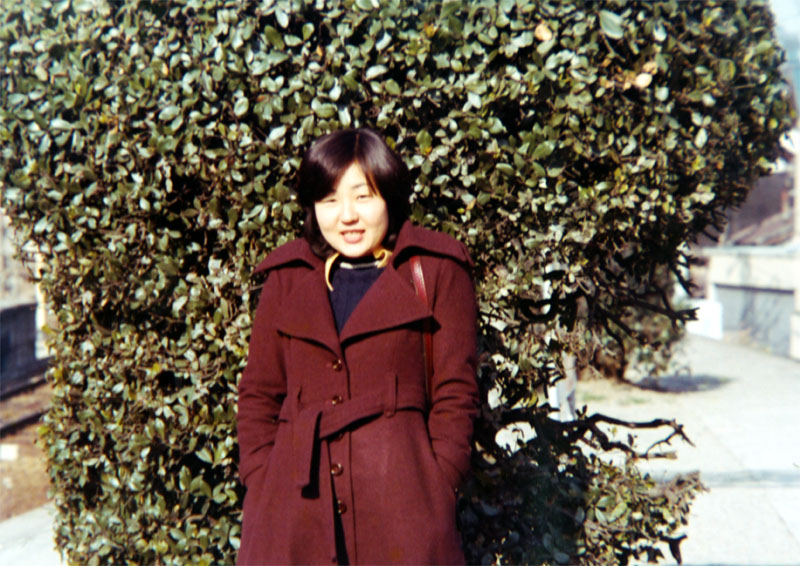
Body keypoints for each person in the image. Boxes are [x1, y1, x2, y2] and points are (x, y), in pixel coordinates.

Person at [236, 128, 479, 565]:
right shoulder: (287, 278)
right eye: (330, 200)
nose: (347, 216)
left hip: (403, 513)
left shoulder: (437, 271)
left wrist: (438, 482)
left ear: (389, 196)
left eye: (363, 197)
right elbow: (259, 391)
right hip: (291, 514)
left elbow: (456, 393)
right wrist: (261, 477)